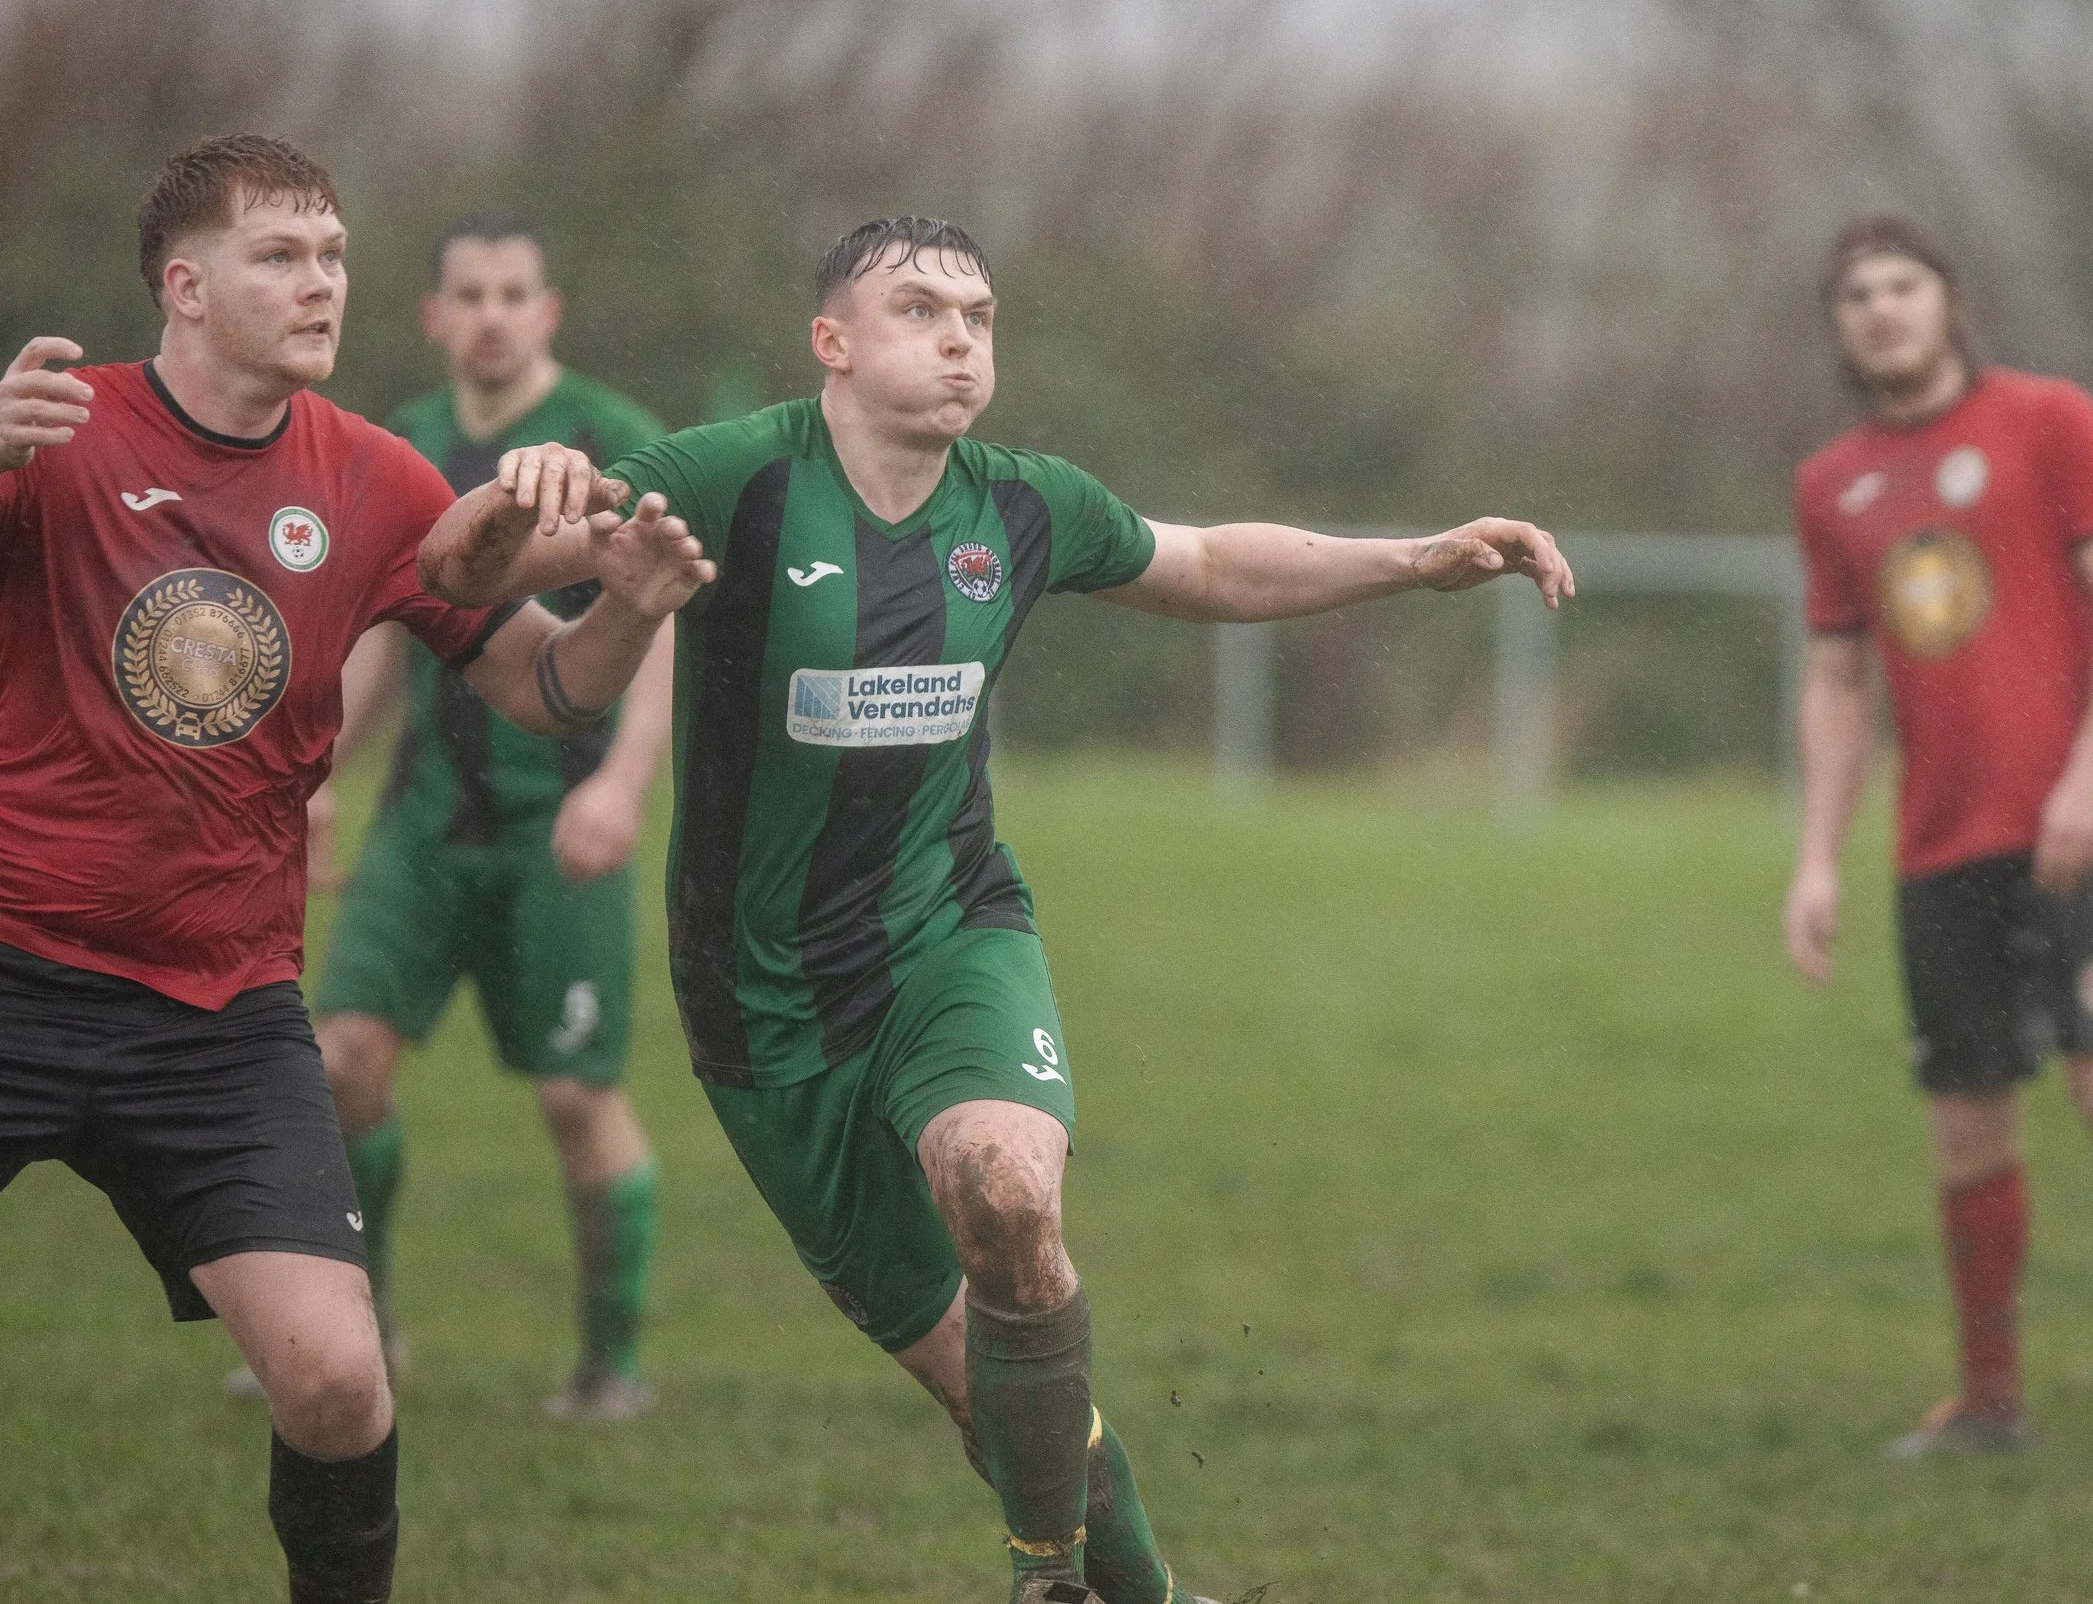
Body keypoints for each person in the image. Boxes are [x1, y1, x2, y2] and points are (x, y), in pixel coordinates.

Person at [419, 215, 1575, 1604]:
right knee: (990, 1389)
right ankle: (1137, 1589)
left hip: (952, 934)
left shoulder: (1022, 502)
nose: (961, 336)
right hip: (763, 1001)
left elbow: (1203, 562)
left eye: (980, 314)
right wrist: (510, 500)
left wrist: (1418, 557)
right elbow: (466, 578)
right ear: (832, 343)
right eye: (920, 309)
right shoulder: (733, 476)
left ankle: (1044, 1579)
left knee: (1009, 1190)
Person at [0, 133, 707, 1602]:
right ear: (183, 287)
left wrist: (628, 606)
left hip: (219, 1011)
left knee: (337, 1384)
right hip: (16, 964)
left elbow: (545, 688)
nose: (323, 283)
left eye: (333, 256)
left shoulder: (375, 476)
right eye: (282, 256)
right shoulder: (59, 432)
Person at [1781, 214, 2093, 1458]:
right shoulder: (1832, 484)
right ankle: (1990, 1404)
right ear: (1838, 326)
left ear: (1949, 301)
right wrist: (1818, 857)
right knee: (1965, 1119)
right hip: (1938, 847)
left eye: (1902, 285)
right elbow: (1836, 684)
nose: (1880, 309)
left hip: (2074, 827)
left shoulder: (2050, 421)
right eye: (1856, 295)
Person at [226, 212, 674, 1420]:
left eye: (511, 292)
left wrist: (622, 783)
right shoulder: (401, 448)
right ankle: (358, 1330)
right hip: (425, 822)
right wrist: (318, 785)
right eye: (466, 294)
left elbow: (658, 612)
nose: (489, 313)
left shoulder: (609, 435)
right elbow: (380, 634)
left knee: (578, 1098)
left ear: (547, 312)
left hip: (558, 826)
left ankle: (609, 1364)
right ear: (431, 316)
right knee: (342, 1065)